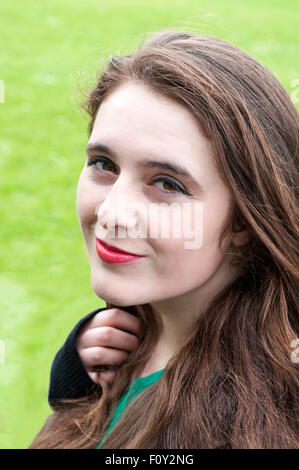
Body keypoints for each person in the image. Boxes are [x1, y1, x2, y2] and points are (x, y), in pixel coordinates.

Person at [29, 29, 299, 449]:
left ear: (245, 221)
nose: (111, 213)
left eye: (168, 185)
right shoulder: (125, 339)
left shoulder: (253, 425)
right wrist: (76, 378)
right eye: (104, 163)